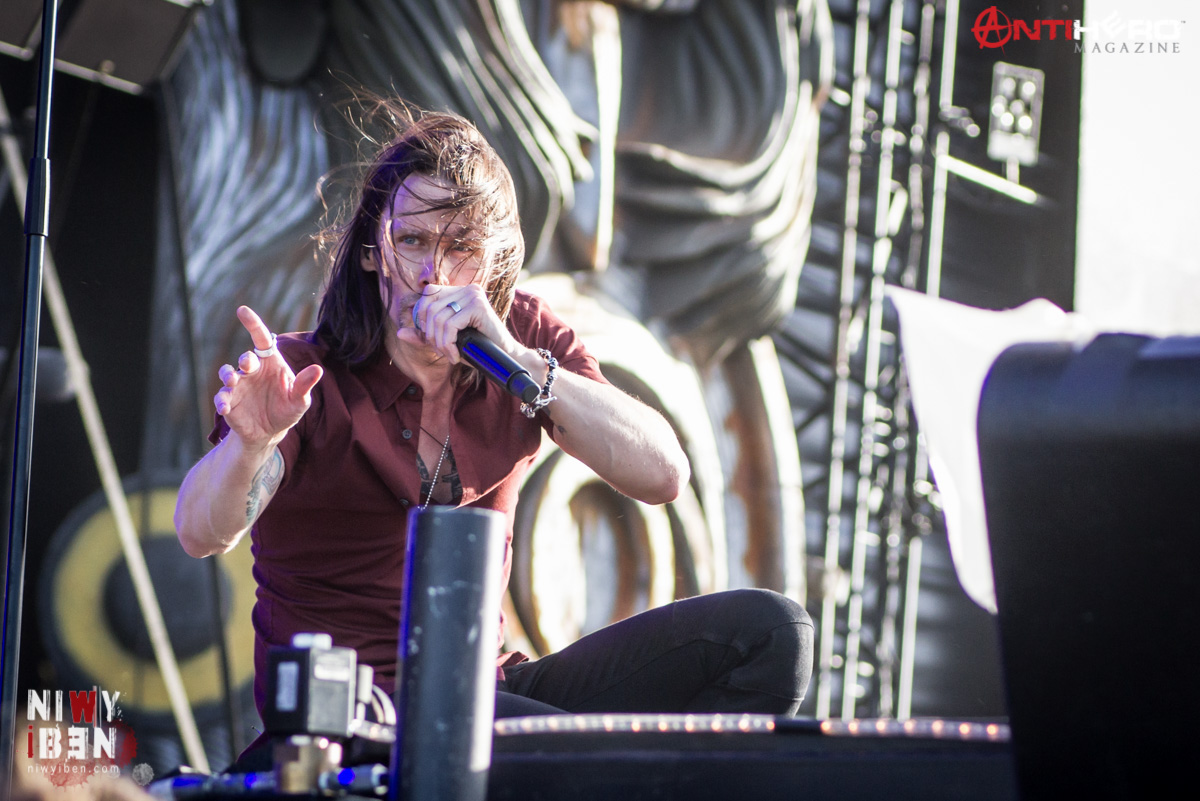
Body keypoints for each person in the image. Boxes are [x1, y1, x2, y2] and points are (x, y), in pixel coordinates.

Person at [173, 104, 813, 761]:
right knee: (552, 747)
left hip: (486, 693)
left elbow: (663, 475)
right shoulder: (305, 374)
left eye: (462, 248)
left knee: (771, 633)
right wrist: (250, 443)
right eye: (412, 241)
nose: (433, 275)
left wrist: (520, 363)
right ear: (371, 252)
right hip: (352, 720)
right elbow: (199, 532)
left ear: (496, 261)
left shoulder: (523, 342)